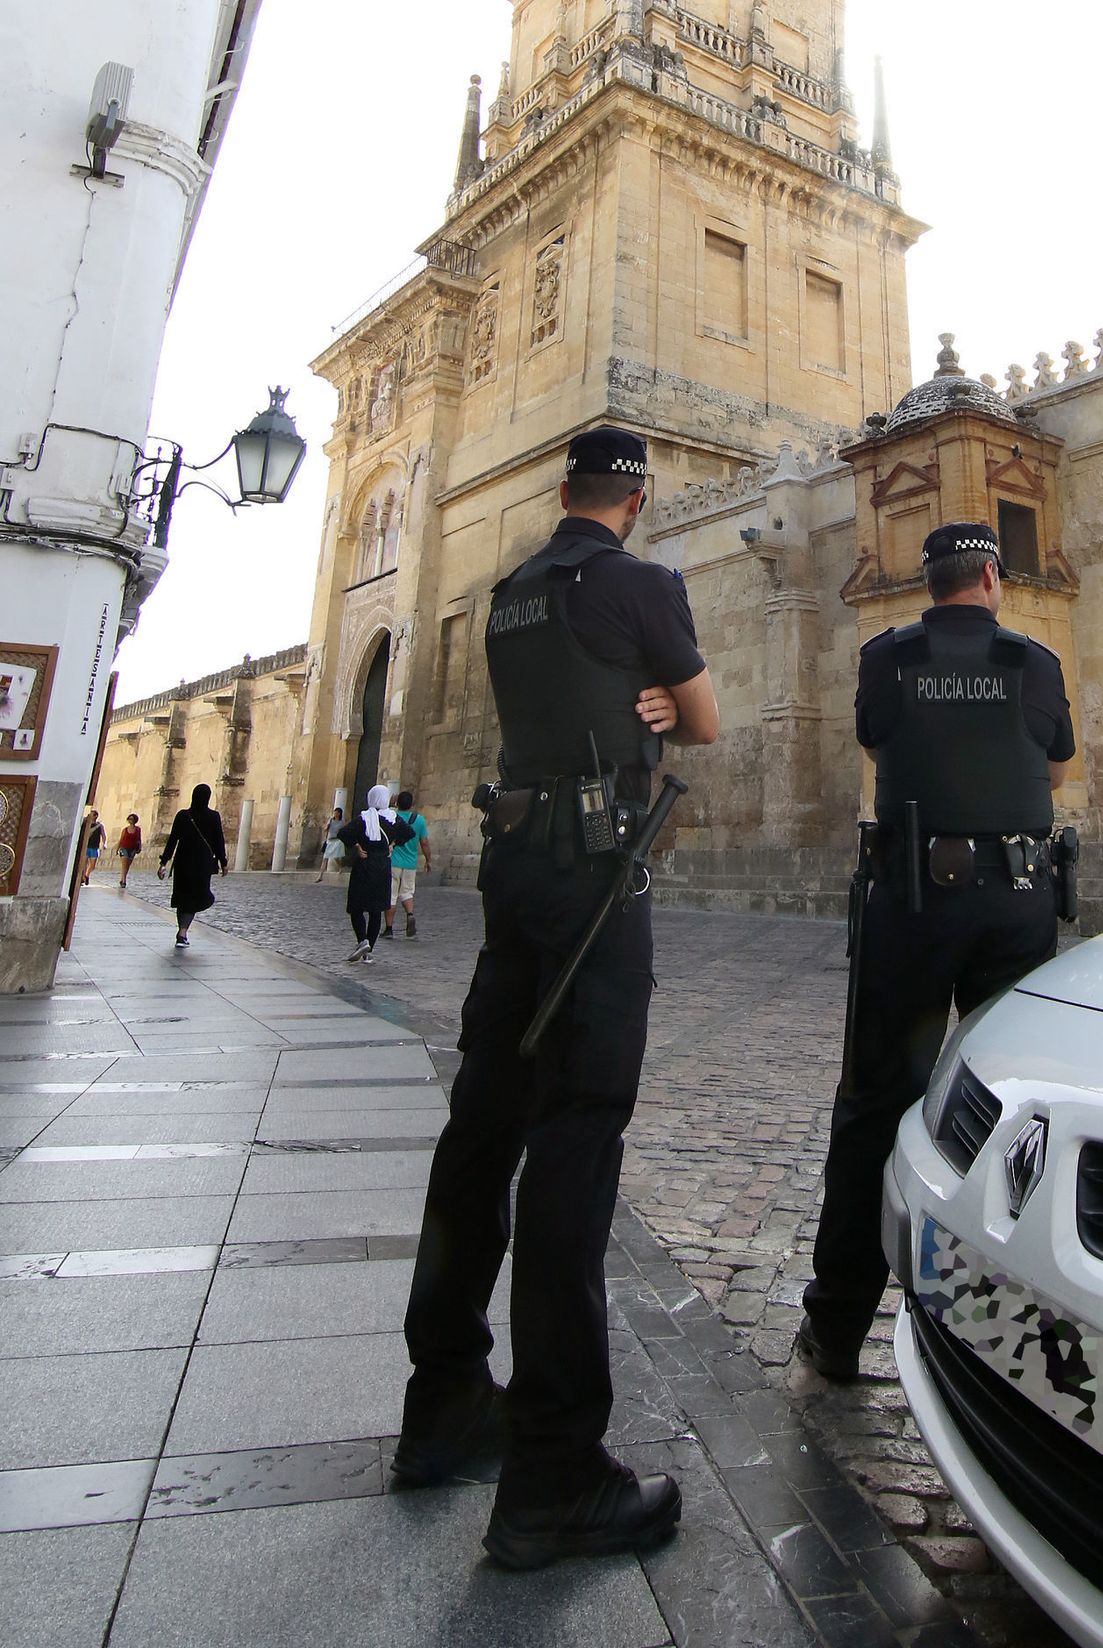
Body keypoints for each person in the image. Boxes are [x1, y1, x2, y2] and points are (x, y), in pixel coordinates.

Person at [394, 425, 719, 1572]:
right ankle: (554, 1471)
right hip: (591, 877)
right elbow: (705, 718)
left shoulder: (507, 593)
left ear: (564, 489)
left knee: (482, 1123)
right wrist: (662, 703)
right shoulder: (642, 583)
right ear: (635, 497)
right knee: (578, 1140)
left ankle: (442, 1404)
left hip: (514, 866)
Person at [795, 520, 1074, 1385]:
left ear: (932, 584)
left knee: (876, 1104)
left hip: (914, 903)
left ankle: (835, 1330)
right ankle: (1009, 1350)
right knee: (1015, 1117)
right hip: (1017, 905)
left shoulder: (887, 658)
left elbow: (881, 746)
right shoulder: (1036, 662)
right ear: (991, 578)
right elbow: (1057, 772)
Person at [158, 785, 227, 948]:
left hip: (183, 862)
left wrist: (163, 863)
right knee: (196, 896)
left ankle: (182, 932)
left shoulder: (183, 815)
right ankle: (183, 932)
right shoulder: (213, 816)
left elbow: (172, 840)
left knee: (183, 897)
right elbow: (219, 841)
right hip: (202, 864)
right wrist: (223, 862)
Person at [340, 786, 395, 960]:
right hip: (383, 867)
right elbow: (408, 833)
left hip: (364, 866)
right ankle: (368, 950)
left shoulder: (363, 818)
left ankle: (362, 940)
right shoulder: (392, 819)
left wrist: (357, 845)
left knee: (356, 907)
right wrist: (393, 844)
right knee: (376, 910)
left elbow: (343, 834)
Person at [384, 790, 431, 937]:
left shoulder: (392, 818)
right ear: (412, 804)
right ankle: (410, 914)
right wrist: (428, 860)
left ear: (397, 803)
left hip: (393, 862)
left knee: (391, 896)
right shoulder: (419, 820)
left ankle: (389, 929)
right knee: (407, 892)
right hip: (410, 863)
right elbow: (424, 842)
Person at [315, 809, 345, 882]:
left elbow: (343, 831)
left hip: (337, 841)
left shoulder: (341, 822)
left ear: (339, 814)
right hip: (330, 841)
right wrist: (326, 827)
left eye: (337, 813)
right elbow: (326, 829)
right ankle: (320, 876)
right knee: (325, 858)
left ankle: (340, 867)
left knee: (336, 858)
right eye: (334, 813)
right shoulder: (330, 820)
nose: (335, 814)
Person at [116, 813, 142, 889]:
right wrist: (117, 849)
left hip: (133, 849)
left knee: (127, 866)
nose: (131, 820)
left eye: (133, 819)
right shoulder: (125, 830)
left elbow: (139, 839)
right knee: (124, 865)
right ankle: (124, 881)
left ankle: (122, 879)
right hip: (124, 848)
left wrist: (139, 847)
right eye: (130, 819)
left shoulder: (138, 829)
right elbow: (121, 840)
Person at [80, 807, 105, 884]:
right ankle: (82, 878)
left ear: (96, 816)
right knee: (84, 863)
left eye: (91, 815)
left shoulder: (99, 825)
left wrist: (104, 843)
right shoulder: (85, 824)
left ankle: (87, 875)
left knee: (92, 865)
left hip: (94, 847)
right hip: (86, 846)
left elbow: (103, 835)